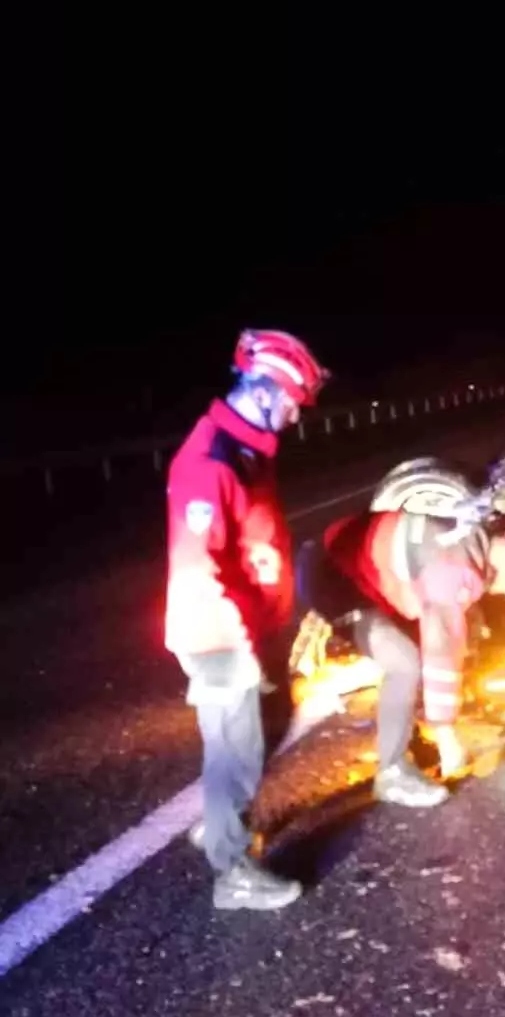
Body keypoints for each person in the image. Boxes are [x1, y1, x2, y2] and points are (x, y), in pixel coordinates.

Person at [166, 328, 329, 911]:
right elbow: (199, 568)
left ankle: (220, 821)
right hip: (220, 634)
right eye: (291, 402)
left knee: (267, 724)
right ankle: (232, 872)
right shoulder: (210, 462)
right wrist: (237, 649)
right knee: (234, 751)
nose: (294, 416)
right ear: (262, 391)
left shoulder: (248, 451)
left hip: (251, 628)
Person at [298, 507, 505, 805]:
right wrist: (447, 736)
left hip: (352, 563)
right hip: (334, 576)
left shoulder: (469, 540)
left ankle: (417, 736)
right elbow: (441, 645)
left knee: (422, 646)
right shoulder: (456, 571)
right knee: (403, 664)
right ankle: (392, 773)